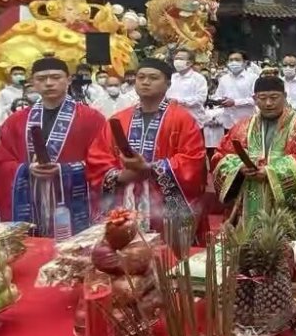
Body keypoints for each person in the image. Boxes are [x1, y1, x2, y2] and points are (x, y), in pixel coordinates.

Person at [86, 58, 207, 235]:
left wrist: (150, 169)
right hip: (124, 200)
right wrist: (119, 176)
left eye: (153, 78)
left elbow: (193, 160)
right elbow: (98, 156)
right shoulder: (118, 119)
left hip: (165, 207)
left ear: (167, 84)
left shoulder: (182, 119)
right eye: (140, 77)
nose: (145, 82)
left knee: (167, 256)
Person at [0, 57, 106, 237]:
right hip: (31, 202)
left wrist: (65, 170)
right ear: (32, 83)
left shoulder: (92, 119)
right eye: (41, 78)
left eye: (55, 77)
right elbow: (1, 162)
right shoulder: (15, 122)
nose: (49, 83)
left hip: (75, 204)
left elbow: (104, 161)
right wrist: (27, 169)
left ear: (69, 80)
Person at [212, 75, 296, 236]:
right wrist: (239, 168)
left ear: (284, 97)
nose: (268, 103)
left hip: (287, 206)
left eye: (274, 97)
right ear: (255, 99)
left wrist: (270, 172)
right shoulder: (242, 127)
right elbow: (220, 155)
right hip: (248, 201)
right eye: (262, 98)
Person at [167, 48, 208, 127]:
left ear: (189, 63)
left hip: (193, 121)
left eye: (181, 59)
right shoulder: (172, 77)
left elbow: (201, 99)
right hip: (173, 121)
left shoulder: (198, 79)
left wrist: (179, 101)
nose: (177, 61)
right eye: (176, 58)